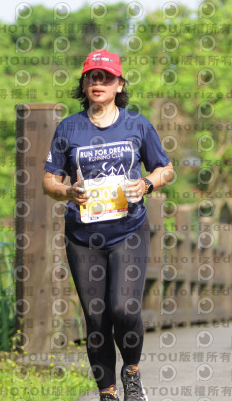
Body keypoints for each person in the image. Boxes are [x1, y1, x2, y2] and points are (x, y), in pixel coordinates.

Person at [42, 49, 174, 401]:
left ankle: (131, 372)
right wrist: (68, 191)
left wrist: (146, 184)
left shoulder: (137, 124)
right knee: (97, 320)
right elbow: (48, 181)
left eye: (105, 77)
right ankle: (108, 393)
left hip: (128, 230)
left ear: (119, 84)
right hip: (83, 237)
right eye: (91, 77)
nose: (97, 83)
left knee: (124, 308)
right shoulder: (69, 127)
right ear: (83, 84)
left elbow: (166, 169)